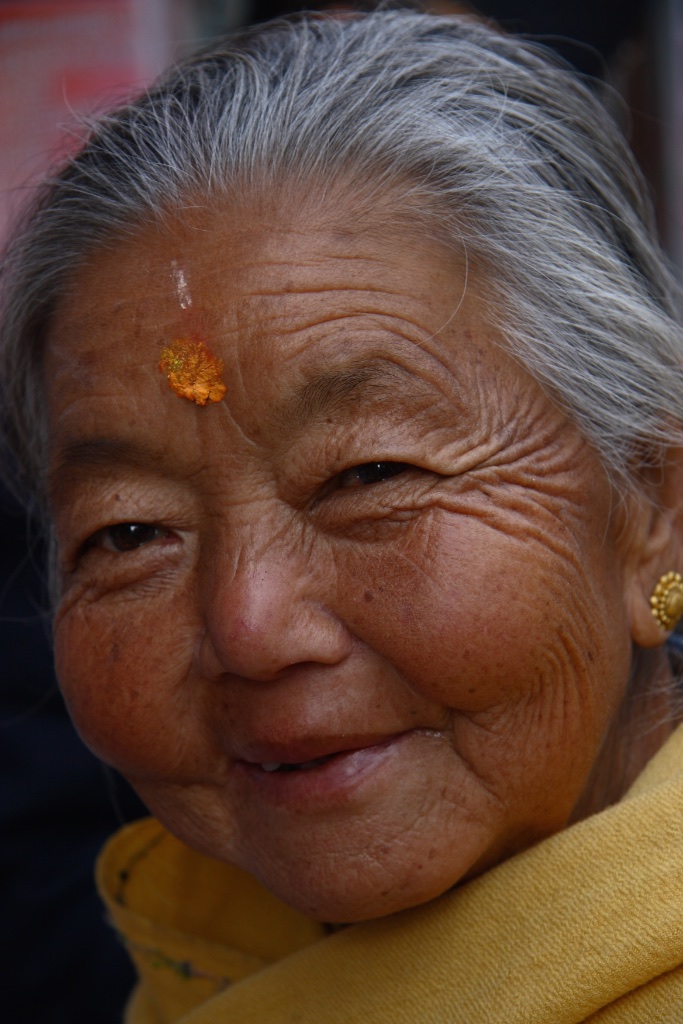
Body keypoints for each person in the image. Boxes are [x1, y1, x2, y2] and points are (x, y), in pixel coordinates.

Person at [2, 9, 683, 1022]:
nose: (249, 625)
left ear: (652, 509)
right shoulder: (191, 967)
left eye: (369, 475)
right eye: (130, 532)